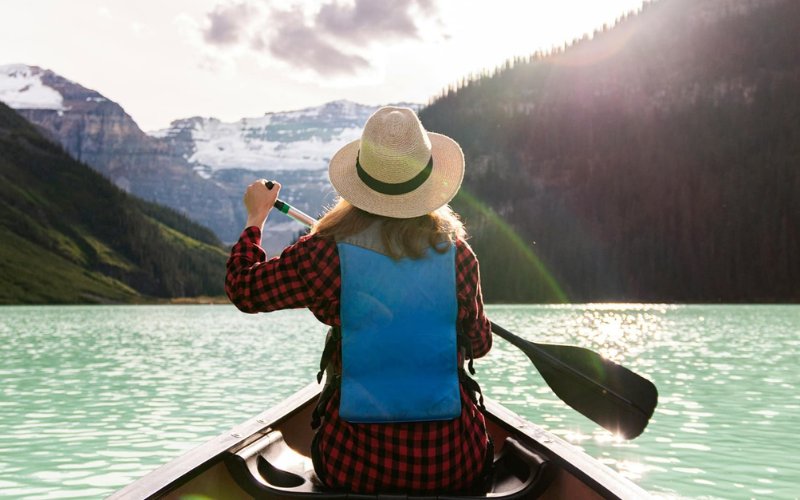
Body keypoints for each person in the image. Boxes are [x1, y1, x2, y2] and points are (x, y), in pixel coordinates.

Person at [225, 106, 493, 494]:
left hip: (353, 464)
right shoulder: (460, 257)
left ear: (360, 183)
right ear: (428, 182)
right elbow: (480, 345)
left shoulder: (321, 253)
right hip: (453, 461)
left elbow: (244, 289)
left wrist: (256, 219)